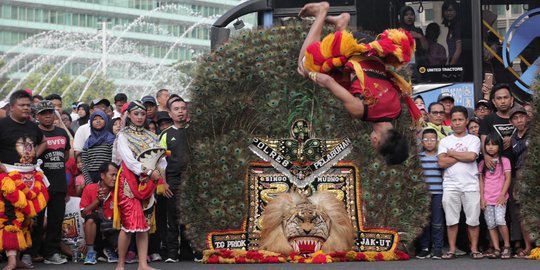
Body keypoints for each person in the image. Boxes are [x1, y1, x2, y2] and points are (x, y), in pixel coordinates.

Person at [297, 1, 421, 165]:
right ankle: (321, 12)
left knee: (342, 79)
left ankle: (342, 23)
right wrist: (309, 74)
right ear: (376, 141)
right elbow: (326, 81)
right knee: (305, 64)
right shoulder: (361, 111)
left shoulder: (396, 110)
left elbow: (366, 80)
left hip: (370, 46)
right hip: (353, 46)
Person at [113, 101, 166, 270]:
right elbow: (128, 160)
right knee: (129, 225)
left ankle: (143, 264)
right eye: (136, 114)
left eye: (142, 114)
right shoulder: (123, 135)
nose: (139, 117)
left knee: (144, 225)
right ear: (129, 115)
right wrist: (149, 172)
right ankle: (120, 263)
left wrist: (159, 173)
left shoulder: (152, 136)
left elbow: (161, 158)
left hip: (148, 183)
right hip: (129, 181)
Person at [0, 90, 49, 270]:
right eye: (22, 105)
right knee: (11, 216)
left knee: (28, 219)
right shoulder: (2, 125)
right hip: (9, 178)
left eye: (29, 105)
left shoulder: (32, 126)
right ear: (12, 107)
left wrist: (35, 153)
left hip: (30, 176)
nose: (27, 108)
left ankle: (19, 257)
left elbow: (44, 141)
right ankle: (11, 260)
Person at [438, 106, 482, 259]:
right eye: (454, 120)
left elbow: (471, 157)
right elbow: (441, 163)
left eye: (460, 120)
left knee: (473, 220)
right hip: (450, 186)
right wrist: (461, 155)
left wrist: (450, 153)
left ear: (466, 121)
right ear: (451, 122)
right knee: (451, 220)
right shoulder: (444, 141)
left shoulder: (474, 139)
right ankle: (451, 249)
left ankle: (474, 249)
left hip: (471, 185)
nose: (457, 123)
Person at [34, 100, 71, 265]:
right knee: (36, 221)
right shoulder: (33, 133)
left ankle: (52, 253)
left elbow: (67, 155)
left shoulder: (62, 133)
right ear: (38, 116)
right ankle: (32, 253)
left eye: (50, 112)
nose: (48, 116)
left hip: (59, 183)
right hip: (39, 185)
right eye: (43, 113)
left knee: (56, 221)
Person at [159, 95, 187, 262]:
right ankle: (172, 253)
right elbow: (161, 161)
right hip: (172, 181)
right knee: (172, 218)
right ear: (170, 113)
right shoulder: (165, 135)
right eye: (176, 109)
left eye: (183, 108)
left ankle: (190, 252)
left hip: (192, 182)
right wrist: (164, 182)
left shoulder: (195, 132)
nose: (180, 112)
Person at [479, 133, 512, 259]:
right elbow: (481, 182)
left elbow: (508, 178)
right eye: (488, 144)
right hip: (487, 198)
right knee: (491, 224)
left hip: (500, 197)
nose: (490, 147)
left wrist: (503, 194)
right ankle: (497, 248)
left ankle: (507, 246)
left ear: (499, 146)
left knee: (500, 220)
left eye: (494, 144)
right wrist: (482, 198)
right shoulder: (482, 163)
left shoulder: (505, 161)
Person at [80, 162, 119, 265]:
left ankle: (110, 249)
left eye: (116, 175)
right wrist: (97, 201)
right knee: (91, 218)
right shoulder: (90, 188)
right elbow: (83, 213)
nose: (115, 178)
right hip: (95, 232)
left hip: (113, 230)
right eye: (112, 175)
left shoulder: (119, 191)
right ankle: (91, 252)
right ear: (102, 176)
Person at [509, 105, 534, 258]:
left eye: (521, 117)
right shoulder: (513, 138)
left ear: (527, 117)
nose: (519, 120)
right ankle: (528, 247)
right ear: (512, 122)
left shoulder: (535, 132)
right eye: (515, 118)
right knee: (524, 213)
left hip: (535, 172)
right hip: (520, 174)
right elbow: (517, 152)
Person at [417, 128, 444, 260]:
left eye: (432, 139)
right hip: (423, 194)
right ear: (422, 142)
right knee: (424, 222)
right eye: (426, 140)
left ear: (437, 141)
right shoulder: (419, 158)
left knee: (437, 221)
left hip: (438, 193)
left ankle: (438, 248)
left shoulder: (441, 157)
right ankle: (425, 248)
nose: (429, 142)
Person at [81, 111, 115, 184]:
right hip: (91, 177)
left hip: (107, 177)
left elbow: (114, 160)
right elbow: (84, 164)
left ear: (106, 121)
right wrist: (89, 182)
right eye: (95, 119)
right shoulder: (88, 142)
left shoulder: (111, 139)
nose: (98, 121)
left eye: (101, 118)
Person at [442, 0, 462, 65]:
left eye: (451, 10)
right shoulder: (451, 27)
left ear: (456, 11)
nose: (448, 13)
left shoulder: (458, 26)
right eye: (446, 11)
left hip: (458, 64)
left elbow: (458, 50)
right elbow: (451, 52)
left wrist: (451, 67)